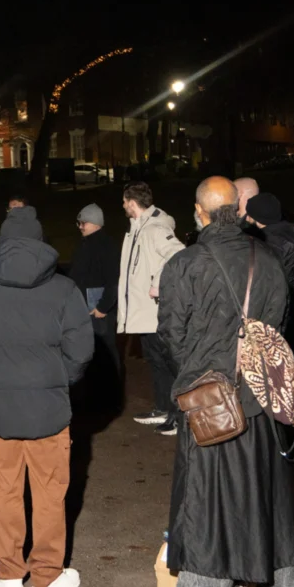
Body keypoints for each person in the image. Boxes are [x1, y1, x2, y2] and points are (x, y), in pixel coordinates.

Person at [154, 177, 294, 587]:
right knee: (273, 496)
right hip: (260, 399)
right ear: (238, 212)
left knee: (204, 501)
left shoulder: (185, 263)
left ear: (200, 213)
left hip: (210, 402)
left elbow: (170, 336)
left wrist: (199, 374)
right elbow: (278, 323)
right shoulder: (270, 258)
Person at [0, 206, 93, 587]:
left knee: (5, 489)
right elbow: (81, 349)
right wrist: (58, 379)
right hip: (48, 410)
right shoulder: (64, 290)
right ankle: (46, 576)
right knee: (49, 492)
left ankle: (10, 573)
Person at [117, 182, 185, 435]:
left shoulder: (155, 228)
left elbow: (177, 254)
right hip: (145, 314)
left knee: (167, 363)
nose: (123, 206)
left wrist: (158, 284)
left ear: (132, 203)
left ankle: (178, 415)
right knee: (156, 361)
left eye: (124, 202)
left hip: (156, 312)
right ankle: (163, 408)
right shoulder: (137, 228)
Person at [245, 193, 294, 379]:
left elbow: (270, 284)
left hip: (282, 318)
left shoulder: (272, 243)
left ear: (256, 217)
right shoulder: (288, 234)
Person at [68, 203, 121, 398]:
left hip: (98, 309)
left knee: (105, 348)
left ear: (96, 223)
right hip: (85, 307)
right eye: (79, 222)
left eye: (83, 223)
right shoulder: (86, 243)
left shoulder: (106, 246)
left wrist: (103, 306)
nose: (80, 226)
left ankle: (110, 388)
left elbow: (113, 279)